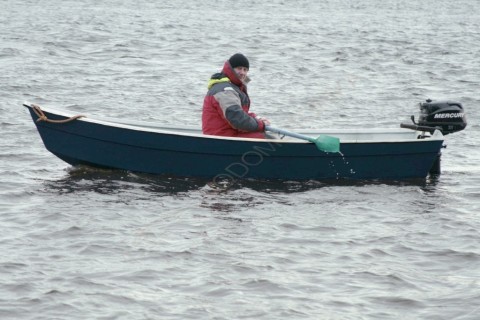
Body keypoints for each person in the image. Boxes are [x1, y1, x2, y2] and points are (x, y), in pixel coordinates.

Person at [202, 53, 270, 139]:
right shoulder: (224, 90)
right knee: (265, 138)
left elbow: (240, 113)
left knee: (267, 136)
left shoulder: (233, 87)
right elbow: (237, 119)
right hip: (220, 138)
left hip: (229, 134)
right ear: (230, 69)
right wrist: (261, 125)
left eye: (245, 70)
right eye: (239, 68)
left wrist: (256, 118)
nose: (242, 73)